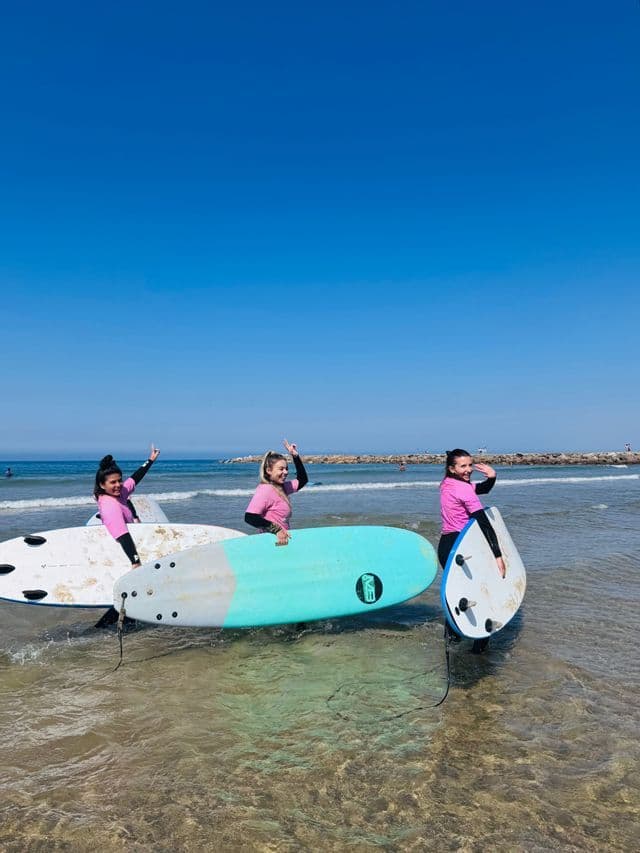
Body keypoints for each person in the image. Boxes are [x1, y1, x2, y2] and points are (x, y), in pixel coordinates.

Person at [438, 448, 505, 653]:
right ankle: (480, 645)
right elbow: (484, 523)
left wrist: (491, 478)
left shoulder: (446, 483)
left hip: (446, 546)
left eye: (470, 465)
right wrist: (498, 556)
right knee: (481, 593)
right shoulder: (464, 489)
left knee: (457, 593)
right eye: (463, 466)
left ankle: (451, 639)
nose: (468, 469)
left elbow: (480, 489)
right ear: (452, 468)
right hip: (463, 547)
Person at [93, 445, 160, 568]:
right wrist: (135, 562)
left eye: (119, 480)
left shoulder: (119, 492)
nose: (118, 485)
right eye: (113, 482)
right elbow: (122, 535)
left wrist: (150, 460)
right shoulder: (110, 505)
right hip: (122, 554)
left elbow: (135, 478)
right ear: (102, 485)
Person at [244, 440, 308, 546]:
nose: (286, 472)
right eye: (281, 469)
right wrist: (276, 530)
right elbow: (250, 517)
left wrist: (295, 456)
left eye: (286, 469)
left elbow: (303, 480)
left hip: (283, 542)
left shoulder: (282, 487)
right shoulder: (266, 490)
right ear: (269, 470)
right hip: (271, 543)